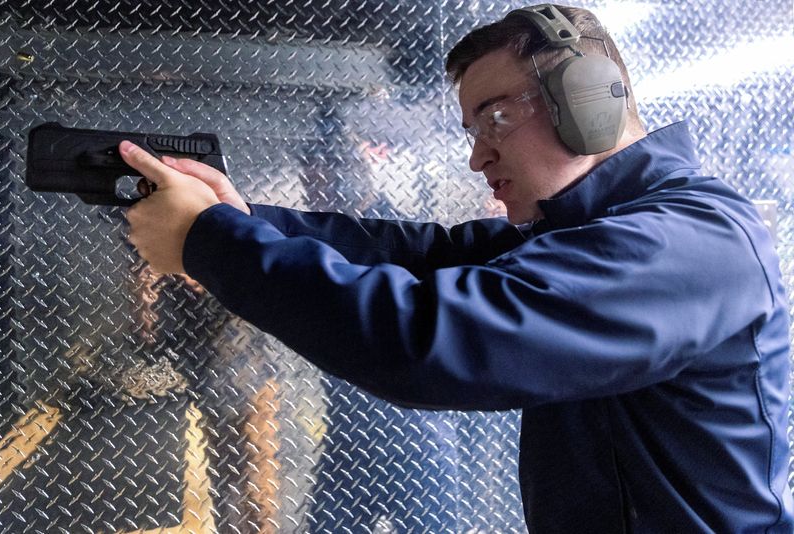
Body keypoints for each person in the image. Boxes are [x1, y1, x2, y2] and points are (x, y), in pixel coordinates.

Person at [121, 3, 794, 532]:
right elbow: (418, 255)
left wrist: (209, 242)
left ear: (589, 103)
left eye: (496, 119)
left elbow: (430, 341)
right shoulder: (588, 232)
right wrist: (238, 218)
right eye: (473, 131)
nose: (478, 157)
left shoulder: (689, 243)